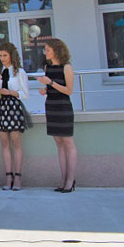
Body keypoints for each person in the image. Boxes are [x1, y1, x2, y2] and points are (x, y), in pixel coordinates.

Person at [0, 42, 30, 191]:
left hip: (13, 107)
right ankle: (8, 176)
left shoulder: (19, 72)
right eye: (0, 56)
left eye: (5, 55)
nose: (2, 58)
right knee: (4, 142)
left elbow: (25, 94)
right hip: (0, 107)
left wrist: (10, 92)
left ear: (12, 55)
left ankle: (18, 177)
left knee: (16, 141)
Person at [36, 38, 77, 193]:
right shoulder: (47, 67)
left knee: (68, 142)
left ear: (56, 50)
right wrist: (44, 90)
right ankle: (63, 179)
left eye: (47, 49)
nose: (45, 52)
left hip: (63, 107)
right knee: (59, 143)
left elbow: (69, 90)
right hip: (51, 106)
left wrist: (51, 83)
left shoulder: (67, 67)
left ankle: (70, 179)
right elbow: (50, 88)